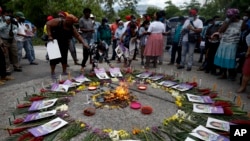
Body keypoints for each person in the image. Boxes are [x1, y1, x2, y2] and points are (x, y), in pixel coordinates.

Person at [46, 14, 89, 79]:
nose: (72, 24)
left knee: (64, 58)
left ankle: (64, 71)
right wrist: (49, 35)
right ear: (68, 20)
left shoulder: (72, 27)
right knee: (54, 59)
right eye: (72, 22)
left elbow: (77, 35)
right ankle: (52, 72)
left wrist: (84, 43)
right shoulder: (58, 21)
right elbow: (48, 24)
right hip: (54, 42)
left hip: (65, 43)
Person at [212, 8, 243, 80]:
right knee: (222, 58)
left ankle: (232, 75)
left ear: (235, 15)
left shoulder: (241, 22)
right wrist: (227, 22)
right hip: (223, 42)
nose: (229, 17)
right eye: (228, 16)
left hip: (233, 44)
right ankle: (223, 74)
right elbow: (220, 30)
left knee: (231, 59)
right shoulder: (227, 22)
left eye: (231, 16)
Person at [79, 8, 94, 73]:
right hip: (84, 38)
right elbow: (81, 29)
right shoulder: (81, 20)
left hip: (90, 37)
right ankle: (82, 66)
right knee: (86, 53)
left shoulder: (90, 20)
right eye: (88, 13)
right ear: (85, 13)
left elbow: (92, 27)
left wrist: (92, 30)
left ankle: (93, 67)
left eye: (89, 13)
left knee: (93, 52)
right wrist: (89, 30)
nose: (89, 14)